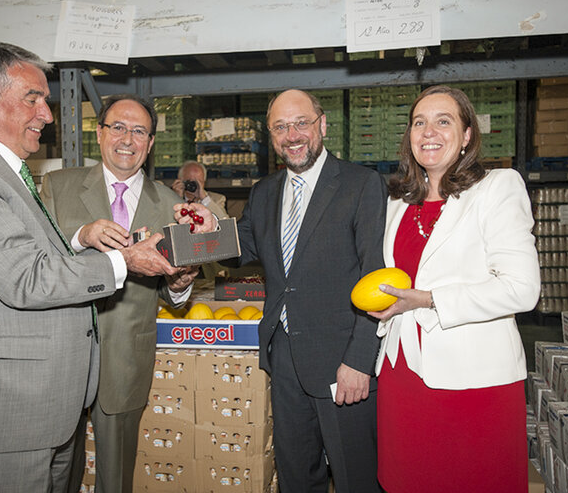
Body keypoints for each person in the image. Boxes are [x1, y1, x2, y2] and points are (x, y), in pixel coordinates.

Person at [0, 41, 194, 492]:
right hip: (4, 409)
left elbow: (35, 260)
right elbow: (28, 276)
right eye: (33, 98)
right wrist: (123, 259)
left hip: (55, 396)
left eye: (46, 99)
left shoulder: (8, 175)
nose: (47, 114)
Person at [369, 85, 540, 492]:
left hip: (472, 382)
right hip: (401, 376)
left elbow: (522, 289)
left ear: (466, 135)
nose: (429, 132)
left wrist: (430, 300)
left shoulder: (497, 188)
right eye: (419, 123)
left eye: (444, 121)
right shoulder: (398, 203)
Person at [217, 89, 386, 492]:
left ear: (322, 125)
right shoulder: (264, 192)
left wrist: (361, 360)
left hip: (343, 362)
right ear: (270, 135)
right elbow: (239, 250)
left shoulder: (362, 185)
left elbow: (376, 275)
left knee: (354, 477)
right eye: (280, 127)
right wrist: (206, 228)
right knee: (296, 474)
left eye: (301, 123)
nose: (292, 135)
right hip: (286, 356)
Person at [40, 93, 199, 493]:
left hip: (126, 358)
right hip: (62, 357)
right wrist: (81, 236)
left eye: (139, 131)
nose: (127, 139)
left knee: (116, 477)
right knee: (55, 474)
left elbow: (172, 292)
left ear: (150, 143)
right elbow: (36, 262)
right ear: (100, 133)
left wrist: (181, 285)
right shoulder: (58, 187)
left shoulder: (172, 206)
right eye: (119, 127)